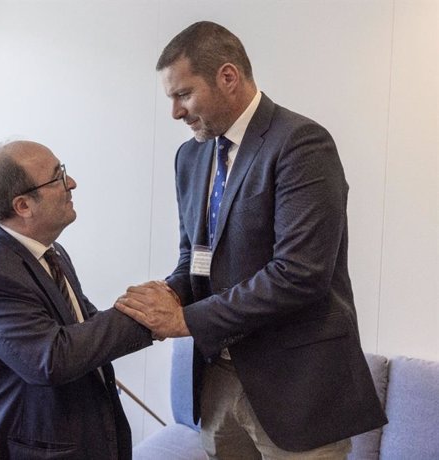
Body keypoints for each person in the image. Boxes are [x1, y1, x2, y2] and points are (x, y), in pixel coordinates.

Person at [115, 21, 387, 459]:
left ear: (228, 77)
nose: (176, 113)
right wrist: (164, 294)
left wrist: (186, 320)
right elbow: (195, 258)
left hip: (296, 391)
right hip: (215, 385)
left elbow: (299, 274)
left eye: (183, 94)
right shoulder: (190, 155)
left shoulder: (301, 144)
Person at [0, 140, 153, 460]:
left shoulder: (51, 252)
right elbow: (52, 358)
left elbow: (84, 326)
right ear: (23, 206)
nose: (71, 183)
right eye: (58, 176)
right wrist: (148, 317)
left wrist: (141, 310)